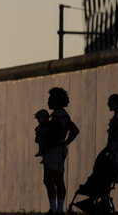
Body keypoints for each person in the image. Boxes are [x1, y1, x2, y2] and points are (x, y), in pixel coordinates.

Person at [42, 87, 79, 215]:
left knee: (49, 179)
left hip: (53, 150)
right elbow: (75, 130)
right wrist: (65, 143)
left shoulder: (57, 116)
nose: (47, 101)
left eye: (50, 99)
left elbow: (52, 133)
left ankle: (53, 209)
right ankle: (59, 209)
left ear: (55, 101)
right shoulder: (64, 115)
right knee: (59, 179)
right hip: (60, 149)